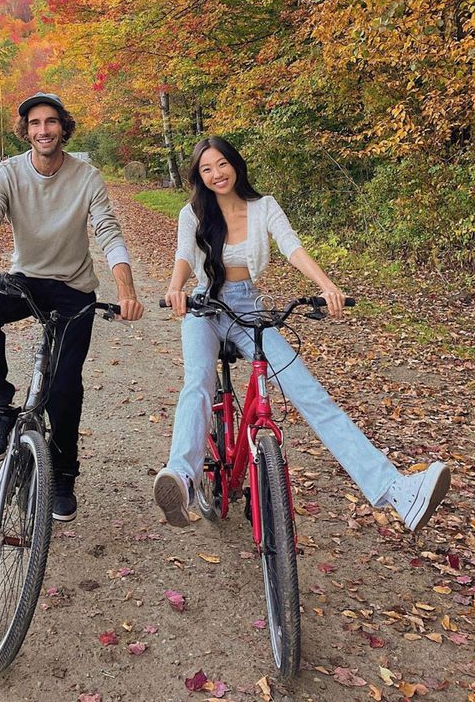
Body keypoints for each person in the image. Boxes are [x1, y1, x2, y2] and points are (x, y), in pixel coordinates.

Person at [154, 136, 451, 532]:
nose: (215, 174)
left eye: (221, 164)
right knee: (198, 383)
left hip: (249, 308)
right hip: (204, 306)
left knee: (310, 393)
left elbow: (292, 246)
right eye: (206, 169)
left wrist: (327, 285)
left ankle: (395, 489)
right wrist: (175, 289)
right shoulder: (192, 213)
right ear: (198, 176)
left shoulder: (264, 207)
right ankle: (183, 478)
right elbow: (185, 257)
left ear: (235, 164)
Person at [0, 91, 144, 521]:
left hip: (73, 289)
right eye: (34, 123)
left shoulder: (86, 177)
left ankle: (63, 474)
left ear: (64, 127)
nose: (42, 130)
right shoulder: (8, 172)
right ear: (25, 131)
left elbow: (107, 230)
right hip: (26, 281)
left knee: (64, 388)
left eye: (50, 122)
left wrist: (127, 289)